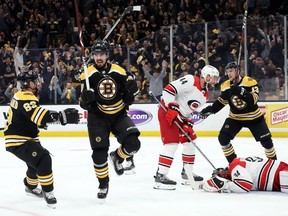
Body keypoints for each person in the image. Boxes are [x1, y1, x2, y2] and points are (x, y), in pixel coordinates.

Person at [3, 70, 79, 208]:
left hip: (24, 137)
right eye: (35, 81)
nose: (38, 83)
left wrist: (40, 122)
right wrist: (61, 116)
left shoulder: (22, 95)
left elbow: (30, 116)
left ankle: (30, 187)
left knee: (34, 163)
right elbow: (39, 115)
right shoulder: (26, 96)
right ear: (28, 83)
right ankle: (48, 192)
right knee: (43, 158)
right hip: (18, 140)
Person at [79, 39, 141, 201]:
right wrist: (86, 100)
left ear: (107, 55)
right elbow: (83, 104)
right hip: (98, 117)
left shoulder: (119, 71)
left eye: (102, 54)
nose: (99, 57)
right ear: (92, 56)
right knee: (99, 155)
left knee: (134, 144)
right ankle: (103, 183)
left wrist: (130, 93)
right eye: (96, 54)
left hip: (119, 114)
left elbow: (128, 98)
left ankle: (118, 157)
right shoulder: (87, 73)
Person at [153, 65, 220, 190]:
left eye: (216, 78)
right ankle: (160, 176)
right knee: (171, 144)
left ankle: (187, 173)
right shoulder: (191, 80)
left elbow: (189, 110)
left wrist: (188, 122)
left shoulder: (205, 95)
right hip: (167, 112)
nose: (215, 81)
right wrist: (171, 106)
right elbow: (169, 89)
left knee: (191, 142)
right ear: (206, 75)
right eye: (213, 78)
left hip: (181, 117)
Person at [199, 61, 277, 164]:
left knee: (267, 143)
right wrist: (210, 110)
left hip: (254, 118)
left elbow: (253, 100)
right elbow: (222, 101)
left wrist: (241, 92)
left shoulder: (250, 82)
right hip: (235, 118)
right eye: (227, 71)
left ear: (238, 71)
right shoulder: (225, 85)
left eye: (231, 71)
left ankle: (273, 165)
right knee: (223, 138)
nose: (229, 74)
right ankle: (233, 164)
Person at [202, 156, 288, 193]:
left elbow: (245, 186)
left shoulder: (235, 167)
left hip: (281, 174)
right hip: (280, 174)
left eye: (220, 174)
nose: (222, 174)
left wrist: (224, 185)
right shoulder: (238, 162)